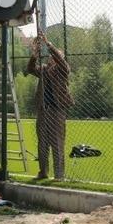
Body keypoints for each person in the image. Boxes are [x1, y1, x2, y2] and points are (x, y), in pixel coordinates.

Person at [26, 34, 73, 180]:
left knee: (57, 144)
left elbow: (61, 62)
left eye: (58, 56)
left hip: (57, 111)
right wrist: (34, 55)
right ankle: (43, 172)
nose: (53, 58)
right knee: (42, 144)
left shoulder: (63, 70)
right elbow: (30, 69)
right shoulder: (44, 70)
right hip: (43, 112)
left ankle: (59, 175)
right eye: (52, 56)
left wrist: (49, 45)